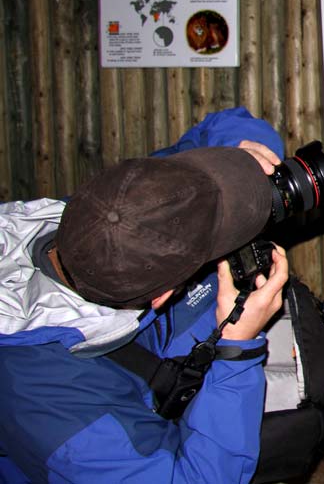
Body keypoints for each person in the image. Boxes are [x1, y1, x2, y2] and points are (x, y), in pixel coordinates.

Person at [0, 107, 290, 483]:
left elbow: (217, 126)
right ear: (162, 295)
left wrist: (240, 150)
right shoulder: (59, 413)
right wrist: (236, 348)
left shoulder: (106, 213)